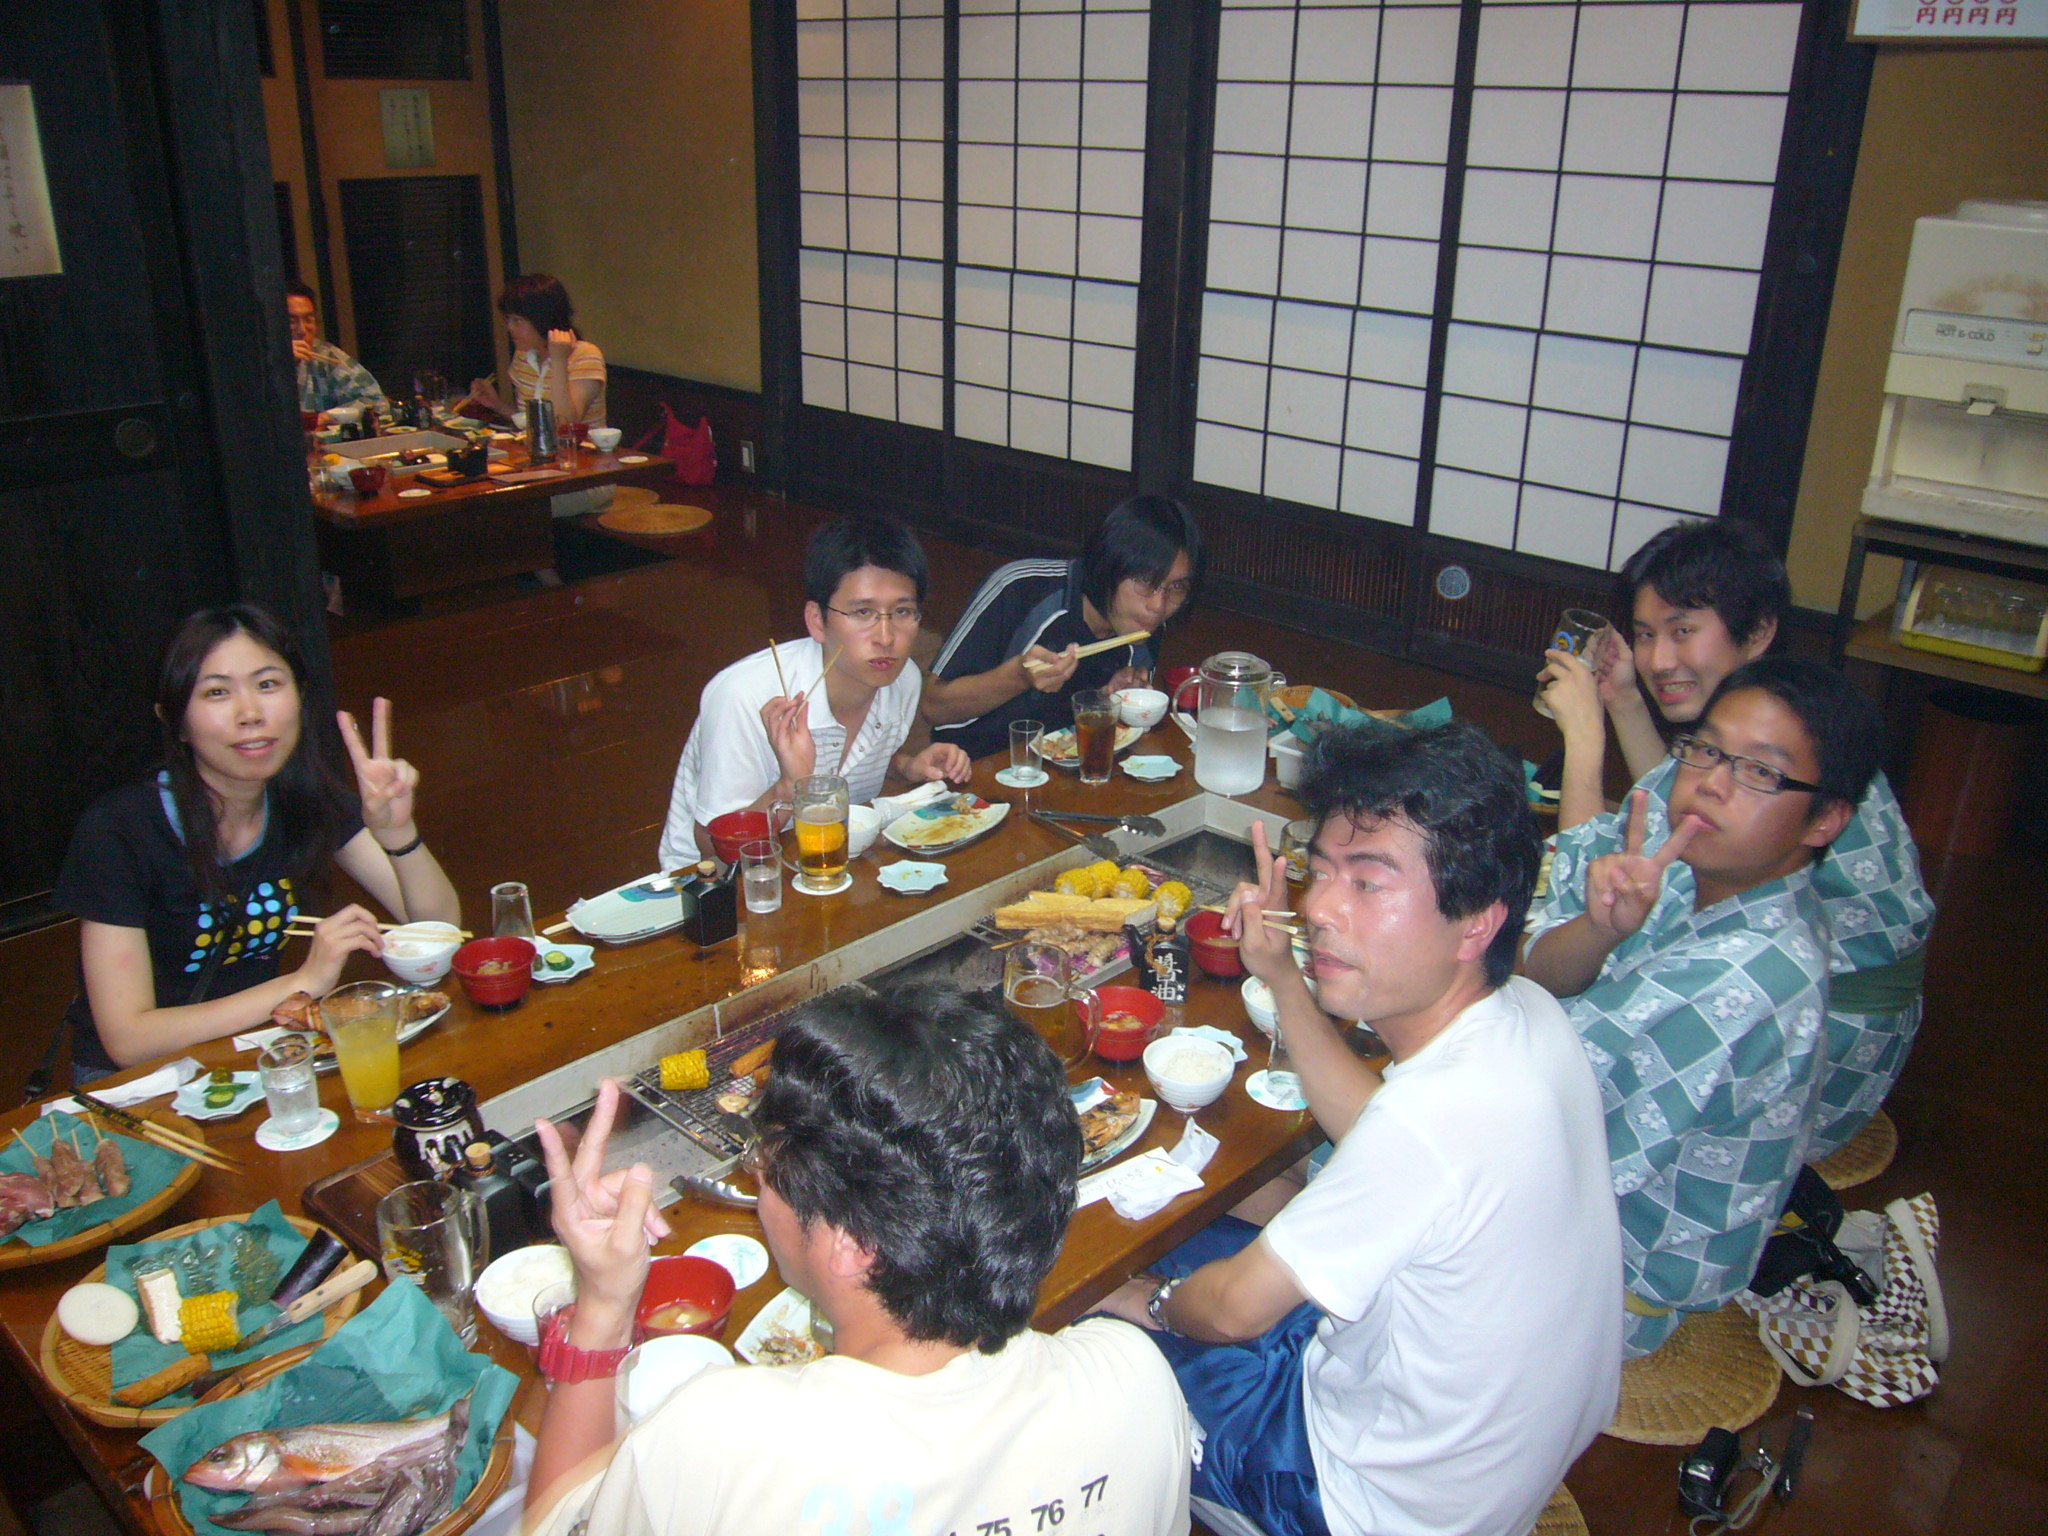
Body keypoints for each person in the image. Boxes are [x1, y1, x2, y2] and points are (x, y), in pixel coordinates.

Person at [1100, 722, 1622, 1536]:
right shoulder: (1527, 1012)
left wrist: (1143, 1302)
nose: (1318, 907)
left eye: (1369, 883)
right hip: (1484, 1464)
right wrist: (1282, 973)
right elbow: (1380, 1127)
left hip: (1362, 1499)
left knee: (1082, 1318)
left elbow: (1234, 1312)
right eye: (1321, 871)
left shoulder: (1435, 1122)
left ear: (1476, 921)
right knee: (1186, 1224)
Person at [524, 983, 1193, 1536]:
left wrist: (604, 1301)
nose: (759, 1182)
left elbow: (557, 1520)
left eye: (765, 1161)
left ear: (850, 1242)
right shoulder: (1133, 1380)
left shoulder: (720, 1444)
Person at [1538, 519, 1933, 1159]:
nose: (1658, 659)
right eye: (1645, 634)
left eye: (1682, 631)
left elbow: (1582, 888)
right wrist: (1625, 703)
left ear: (1757, 633)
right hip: (1821, 1016)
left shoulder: (1796, 763)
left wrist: (1584, 737)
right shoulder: (1787, 722)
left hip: (1813, 1054)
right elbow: (1682, 805)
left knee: (1564, 949)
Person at [1524, 656, 1882, 1356]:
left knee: (1319, 1174)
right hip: (1575, 1197)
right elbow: (1540, 974)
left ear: (1825, 819)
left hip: (1601, 1285)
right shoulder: (1700, 875)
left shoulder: (1747, 978)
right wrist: (1598, 929)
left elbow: (1522, 1137)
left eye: (1761, 772)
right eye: (1708, 751)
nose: (1713, 782)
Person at [53, 605, 460, 1080]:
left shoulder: (304, 799)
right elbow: (129, 1041)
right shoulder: (118, 831)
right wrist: (303, 981)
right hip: (141, 1086)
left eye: (267, 684)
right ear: (175, 721)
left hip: (255, 1059)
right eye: (217, 692)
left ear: (299, 698)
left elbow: (440, 931)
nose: (250, 714)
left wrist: (397, 834)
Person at [656, 516, 970, 869]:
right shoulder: (744, 696)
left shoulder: (903, 680)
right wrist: (789, 787)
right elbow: (712, 850)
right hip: (723, 882)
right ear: (817, 620)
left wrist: (906, 767)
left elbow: (856, 762)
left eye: (902, 611)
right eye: (863, 612)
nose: (886, 637)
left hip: (829, 859)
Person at [920, 495, 1204, 760]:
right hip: (972, 768)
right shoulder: (1021, 588)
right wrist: (1018, 676)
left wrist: (1109, 701)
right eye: (1145, 581)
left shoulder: (1145, 622)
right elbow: (933, 706)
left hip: (1067, 770)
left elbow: (1086, 729)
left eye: (1177, 586)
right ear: (1110, 566)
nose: (1159, 605)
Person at [464, 273, 607, 432]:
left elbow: (565, 425)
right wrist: (497, 405)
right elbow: (534, 423)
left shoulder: (585, 355)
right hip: (539, 445)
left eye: (517, 320)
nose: (510, 327)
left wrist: (559, 361)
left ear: (542, 318)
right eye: (508, 320)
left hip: (580, 448)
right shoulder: (523, 355)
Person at [287, 282, 384, 426]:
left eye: (308, 320)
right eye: (291, 321)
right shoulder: (259, 364)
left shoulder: (325, 354)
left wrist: (325, 417)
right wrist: (282, 363)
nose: (302, 330)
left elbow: (377, 402)